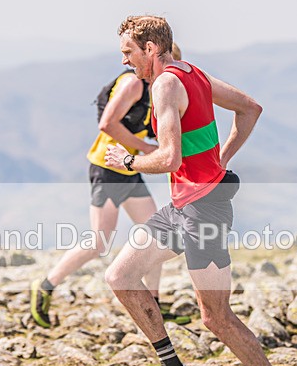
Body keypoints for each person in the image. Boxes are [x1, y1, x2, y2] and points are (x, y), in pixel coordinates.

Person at [103, 15, 297, 366]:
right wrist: (222, 161)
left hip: (205, 212)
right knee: (120, 275)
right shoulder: (192, 72)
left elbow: (170, 158)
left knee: (216, 317)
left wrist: (128, 162)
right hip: (183, 206)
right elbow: (251, 108)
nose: (124, 61)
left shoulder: (163, 85)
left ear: (151, 49)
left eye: (128, 53)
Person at [29, 43, 183, 328]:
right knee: (100, 241)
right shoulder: (133, 84)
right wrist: (146, 149)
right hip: (107, 167)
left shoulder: (158, 88)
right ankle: (46, 286)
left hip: (126, 165)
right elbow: (107, 124)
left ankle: (154, 304)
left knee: (156, 231)